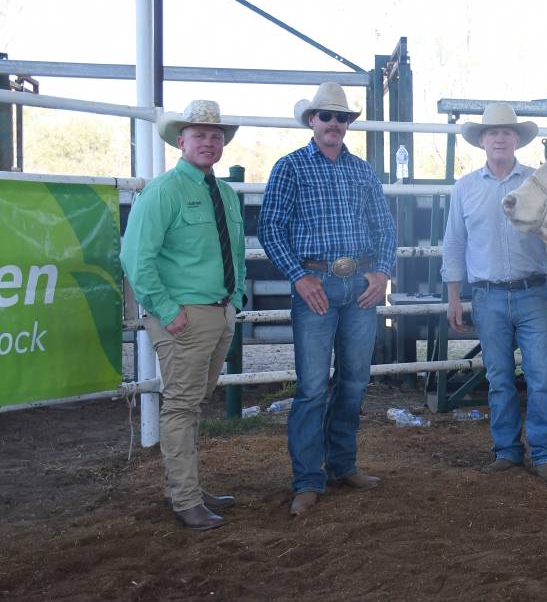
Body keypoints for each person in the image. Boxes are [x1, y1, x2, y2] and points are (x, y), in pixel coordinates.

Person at [259, 82, 397, 516]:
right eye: (326, 117)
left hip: (359, 284)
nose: (334, 124)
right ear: (311, 121)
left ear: (347, 124)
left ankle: (342, 465)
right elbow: (270, 227)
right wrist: (299, 277)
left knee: (354, 381)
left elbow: (386, 227)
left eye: (341, 117)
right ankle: (308, 478)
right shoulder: (290, 167)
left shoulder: (363, 171)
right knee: (313, 386)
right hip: (315, 282)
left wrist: (383, 272)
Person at [121, 100, 245, 531]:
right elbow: (136, 258)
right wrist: (167, 311)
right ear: (181, 141)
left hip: (218, 311)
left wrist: (237, 297)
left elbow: (236, 252)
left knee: (192, 403)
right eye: (200, 135)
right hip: (185, 316)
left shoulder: (224, 193)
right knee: (182, 405)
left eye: (216, 136)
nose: (209, 143)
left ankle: (186, 487)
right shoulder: (163, 190)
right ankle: (186, 498)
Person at [442, 102, 547, 483]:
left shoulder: (537, 184)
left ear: (516, 140)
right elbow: (454, 243)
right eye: (492, 132)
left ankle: (544, 451)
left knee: (542, 376)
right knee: (498, 378)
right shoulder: (464, 188)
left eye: (506, 132)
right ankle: (508, 450)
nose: (499, 138)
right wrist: (453, 296)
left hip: (534, 292)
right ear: (482, 141)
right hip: (488, 294)